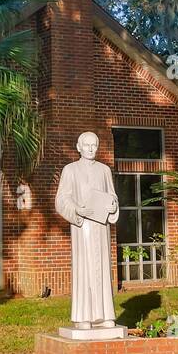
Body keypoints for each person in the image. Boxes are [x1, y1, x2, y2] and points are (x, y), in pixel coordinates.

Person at [54, 131, 119, 328]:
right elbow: (62, 198)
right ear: (78, 147)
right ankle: (83, 316)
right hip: (82, 226)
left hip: (101, 226)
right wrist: (77, 210)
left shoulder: (104, 170)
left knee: (102, 269)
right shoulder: (70, 170)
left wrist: (112, 206)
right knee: (85, 269)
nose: (91, 149)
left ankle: (106, 315)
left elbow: (112, 196)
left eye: (94, 145)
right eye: (87, 145)